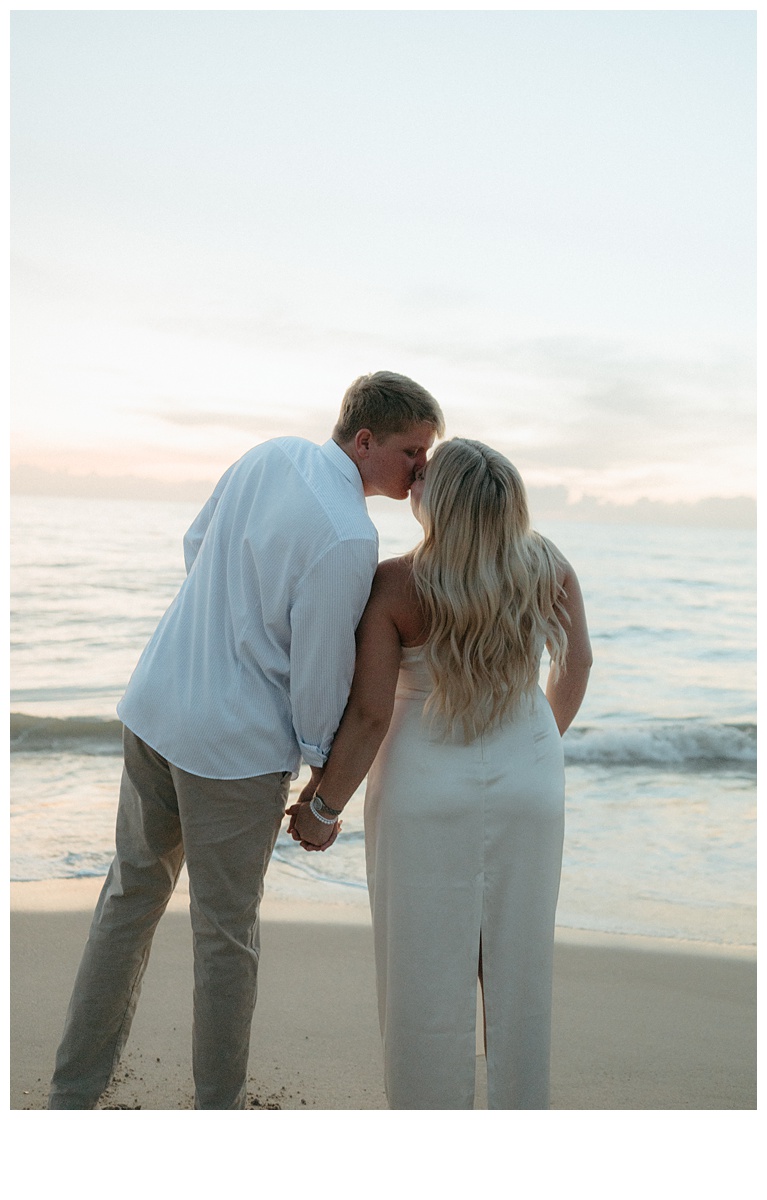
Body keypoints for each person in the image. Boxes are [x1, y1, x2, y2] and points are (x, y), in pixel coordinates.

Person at [47, 370, 444, 1110]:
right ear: (364, 441)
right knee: (224, 935)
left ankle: (73, 1095)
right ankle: (217, 1113)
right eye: (411, 451)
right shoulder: (350, 537)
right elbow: (321, 677)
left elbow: (195, 544)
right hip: (232, 753)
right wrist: (323, 777)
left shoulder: (268, 455)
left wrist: (229, 627)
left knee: (128, 899)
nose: (421, 467)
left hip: (156, 703)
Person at [289, 437, 592, 1109]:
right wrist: (535, 744)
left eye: (423, 475)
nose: (413, 480)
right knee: (518, 965)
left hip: (421, 787)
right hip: (529, 784)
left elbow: (369, 714)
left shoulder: (397, 581)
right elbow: (575, 668)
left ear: (441, 501)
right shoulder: (549, 566)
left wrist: (321, 806)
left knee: (421, 971)